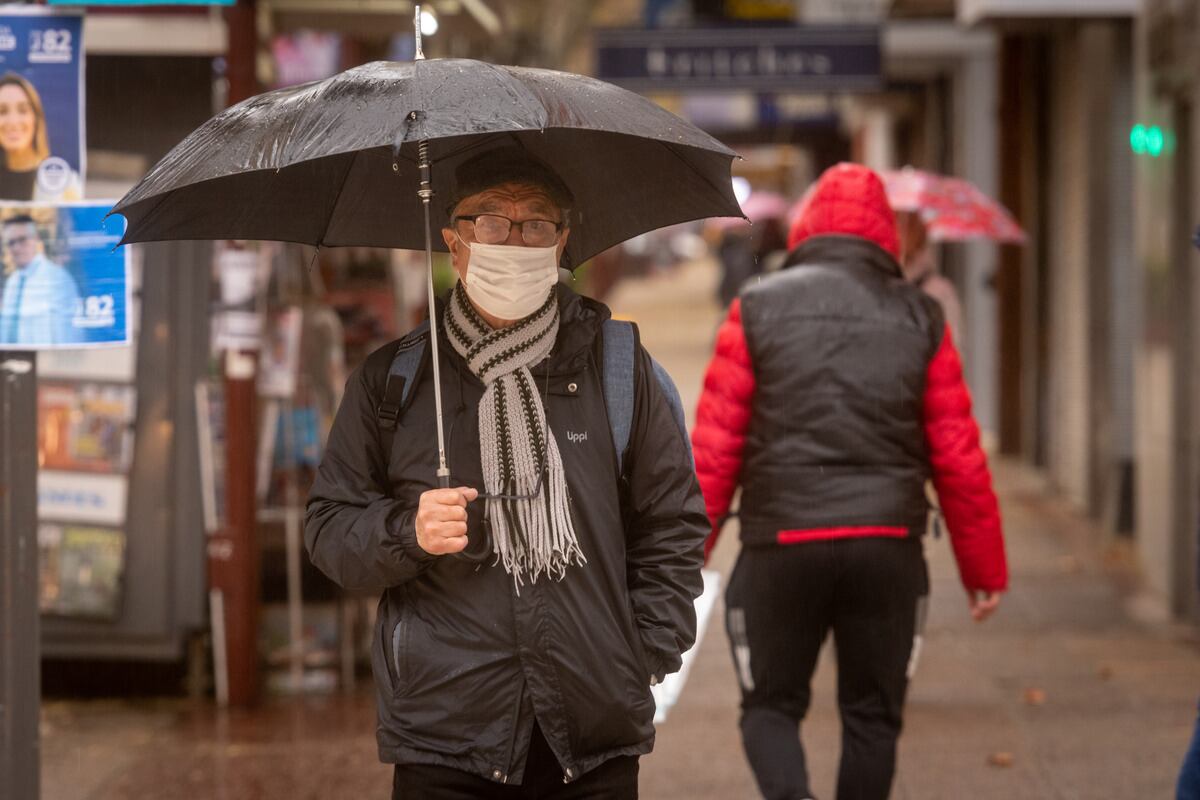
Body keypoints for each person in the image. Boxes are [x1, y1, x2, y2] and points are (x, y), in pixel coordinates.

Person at [305, 147, 707, 799]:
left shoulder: (620, 369)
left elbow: (674, 527)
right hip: (445, 734)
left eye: (536, 225)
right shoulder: (396, 381)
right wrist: (407, 532)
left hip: (592, 736)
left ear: (562, 243)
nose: (513, 241)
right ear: (454, 243)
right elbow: (328, 530)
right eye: (490, 221)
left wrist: (639, 656)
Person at [692, 163, 1008, 800]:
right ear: (885, 235)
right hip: (887, 547)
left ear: (808, 226)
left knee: (770, 709)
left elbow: (715, 444)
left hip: (781, 545)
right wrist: (983, 569)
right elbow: (957, 451)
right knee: (872, 718)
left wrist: (682, 557)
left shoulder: (755, 306)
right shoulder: (921, 315)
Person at [0, 214, 81, 346]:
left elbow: (67, 334)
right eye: (11, 242)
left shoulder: (57, 278)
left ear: (36, 239)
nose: (16, 248)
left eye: (22, 240)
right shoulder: (12, 282)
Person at [0, 73, 81, 202]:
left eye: (23, 110)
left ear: (36, 118)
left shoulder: (65, 183)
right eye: (2, 111)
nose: (13, 121)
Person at [896, 209, 963, 348]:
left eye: (909, 225)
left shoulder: (938, 291)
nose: (900, 233)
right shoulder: (877, 281)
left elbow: (952, 348)